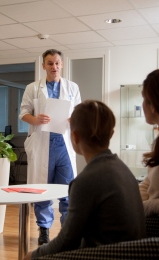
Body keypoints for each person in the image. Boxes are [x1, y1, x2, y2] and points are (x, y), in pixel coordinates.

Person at [23, 100, 146, 260]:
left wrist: (32, 255)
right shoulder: (123, 169)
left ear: (74, 136)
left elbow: (66, 242)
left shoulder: (86, 181)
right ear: (111, 134)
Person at [19, 49, 81, 245]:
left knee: (67, 190)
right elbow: (23, 114)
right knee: (41, 190)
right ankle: (44, 230)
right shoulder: (32, 88)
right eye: (50, 63)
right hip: (42, 143)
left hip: (64, 146)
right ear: (44, 65)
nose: (54, 67)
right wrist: (35, 119)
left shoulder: (72, 87)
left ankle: (67, 231)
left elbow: (79, 111)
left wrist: (74, 118)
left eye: (57, 63)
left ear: (62, 64)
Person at [139, 69, 159, 216]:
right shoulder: (157, 141)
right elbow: (148, 183)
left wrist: (139, 208)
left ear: (153, 104)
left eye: (144, 99)